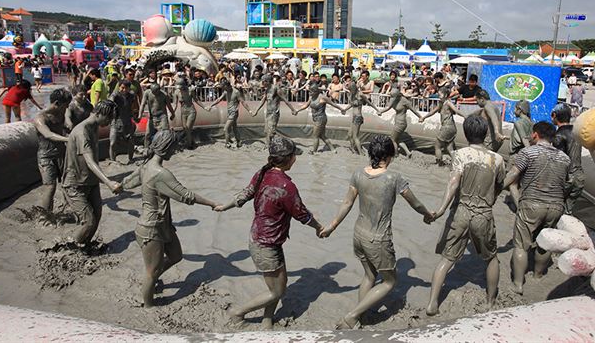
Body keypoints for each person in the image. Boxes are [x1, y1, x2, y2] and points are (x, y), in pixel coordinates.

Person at [320, 135, 433, 328]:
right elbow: (415, 203)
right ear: (390, 156)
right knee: (390, 281)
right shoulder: (394, 178)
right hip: (378, 239)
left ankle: (360, 318)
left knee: (369, 276)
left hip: (358, 235)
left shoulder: (357, 174)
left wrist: (332, 226)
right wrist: (428, 215)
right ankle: (352, 316)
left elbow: (347, 203)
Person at [214, 136, 324, 330]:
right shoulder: (286, 187)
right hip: (266, 244)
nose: (296, 159)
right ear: (289, 158)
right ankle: (237, 313)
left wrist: (225, 206)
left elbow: (245, 193)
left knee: (278, 285)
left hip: (262, 238)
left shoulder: (262, 173)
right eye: (294, 156)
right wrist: (319, 228)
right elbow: (302, 215)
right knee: (277, 291)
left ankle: (267, 321)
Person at [121, 130, 219, 307]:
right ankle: (149, 306)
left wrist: (117, 186)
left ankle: (151, 284)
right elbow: (186, 195)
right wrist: (212, 203)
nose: (176, 150)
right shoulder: (160, 174)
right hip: (151, 228)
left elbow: (127, 183)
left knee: (176, 255)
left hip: (163, 224)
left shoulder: (145, 167)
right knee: (152, 271)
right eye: (174, 147)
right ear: (166, 147)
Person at [426, 116, 505, 316]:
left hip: (461, 211)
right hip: (483, 213)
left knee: (446, 259)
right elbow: (499, 186)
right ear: (485, 134)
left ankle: (433, 303)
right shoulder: (497, 159)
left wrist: (442, 209)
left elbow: (453, 182)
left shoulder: (460, 154)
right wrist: (490, 200)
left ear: (465, 134)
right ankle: (490, 303)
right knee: (492, 258)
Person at [503, 121, 570, 295]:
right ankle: (538, 276)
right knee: (545, 243)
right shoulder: (564, 158)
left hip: (532, 204)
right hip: (556, 206)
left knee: (521, 245)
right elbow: (568, 183)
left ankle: (518, 284)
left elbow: (512, 175)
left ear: (534, 134)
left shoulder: (528, 152)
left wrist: (496, 187)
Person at [62, 100, 123, 244]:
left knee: (97, 215)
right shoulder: (82, 131)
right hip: (75, 184)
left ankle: (85, 244)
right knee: (88, 221)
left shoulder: (94, 127)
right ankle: (71, 247)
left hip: (91, 181)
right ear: (99, 113)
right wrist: (109, 183)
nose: (109, 123)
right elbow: (90, 161)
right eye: (108, 119)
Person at [33, 88, 72, 213]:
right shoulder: (40, 118)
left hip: (61, 153)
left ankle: (69, 207)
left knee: (68, 182)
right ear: (56, 103)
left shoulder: (61, 113)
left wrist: (70, 129)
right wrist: (68, 139)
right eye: (65, 106)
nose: (66, 109)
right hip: (46, 156)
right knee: (50, 186)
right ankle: (44, 215)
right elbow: (48, 135)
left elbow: (63, 128)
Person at [293, 81, 347, 154]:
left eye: (311, 92)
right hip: (315, 118)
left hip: (321, 119)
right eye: (309, 91)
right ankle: (333, 149)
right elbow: (306, 105)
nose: (309, 93)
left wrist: (342, 109)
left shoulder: (323, 98)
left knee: (315, 135)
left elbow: (333, 104)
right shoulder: (311, 97)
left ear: (316, 91)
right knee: (322, 136)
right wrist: (297, 110)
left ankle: (314, 151)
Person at [419, 86, 466, 165]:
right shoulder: (441, 103)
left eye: (440, 95)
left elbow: (456, 111)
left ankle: (439, 163)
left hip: (447, 127)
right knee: (449, 148)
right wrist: (423, 117)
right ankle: (457, 163)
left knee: (437, 146)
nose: (438, 96)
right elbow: (432, 112)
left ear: (445, 95)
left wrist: (465, 116)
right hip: (451, 128)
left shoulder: (448, 103)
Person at [551, 104, 585, 215]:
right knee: (567, 212)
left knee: (553, 210)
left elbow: (558, 160)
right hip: (579, 177)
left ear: (554, 115)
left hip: (566, 178)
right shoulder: (576, 132)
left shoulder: (559, 135)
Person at [252, 74, 297, 147]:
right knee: (266, 131)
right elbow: (263, 100)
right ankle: (268, 145)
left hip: (274, 113)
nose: (262, 83)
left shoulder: (276, 88)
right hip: (268, 112)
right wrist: (256, 110)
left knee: (271, 132)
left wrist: (293, 109)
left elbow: (285, 99)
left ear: (268, 81)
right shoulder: (267, 89)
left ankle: (282, 143)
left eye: (263, 82)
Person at [208, 78, 253, 148]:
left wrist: (250, 111)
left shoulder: (236, 92)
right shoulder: (226, 91)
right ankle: (239, 141)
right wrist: (211, 105)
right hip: (229, 111)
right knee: (234, 128)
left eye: (223, 86)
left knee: (226, 128)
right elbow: (219, 99)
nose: (222, 88)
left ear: (227, 85)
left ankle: (227, 144)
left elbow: (243, 102)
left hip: (234, 112)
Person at [379, 86, 422, 157]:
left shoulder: (404, 101)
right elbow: (388, 107)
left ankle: (396, 154)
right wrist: (381, 111)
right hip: (398, 122)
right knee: (397, 139)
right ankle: (408, 152)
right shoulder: (394, 99)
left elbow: (413, 110)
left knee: (392, 139)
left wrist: (420, 117)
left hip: (401, 123)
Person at [342, 78, 381, 155]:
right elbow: (351, 104)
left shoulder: (360, 94)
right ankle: (354, 148)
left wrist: (377, 110)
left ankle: (360, 153)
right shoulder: (352, 95)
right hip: (354, 117)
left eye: (350, 90)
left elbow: (369, 103)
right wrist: (345, 109)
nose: (349, 91)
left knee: (355, 136)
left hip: (358, 117)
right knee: (350, 134)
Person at [508, 100, 533, 208]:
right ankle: (516, 201)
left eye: (515, 108)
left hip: (517, 155)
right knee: (520, 183)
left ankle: (519, 208)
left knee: (511, 183)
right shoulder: (531, 122)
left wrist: (531, 154)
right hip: (524, 155)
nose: (514, 110)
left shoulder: (518, 123)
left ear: (520, 109)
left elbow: (524, 140)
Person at [171, 78, 206, 150]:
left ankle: (189, 145)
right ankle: (192, 142)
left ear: (183, 85)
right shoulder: (176, 92)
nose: (179, 89)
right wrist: (172, 113)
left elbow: (196, 100)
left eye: (180, 87)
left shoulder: (190, 90)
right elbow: (175, 104)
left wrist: (204, 107)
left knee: (188, 128)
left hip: (191, 111)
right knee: (185, 129)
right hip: (183, 112)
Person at [139, 83, 175, 150]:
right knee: (148, 134)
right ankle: (146, 148)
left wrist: (173, 114)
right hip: (152, 116)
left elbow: (169, 106)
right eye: (153, 92)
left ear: (159, 90)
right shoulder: (147, 93)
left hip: (162, 116)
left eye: (156, 92)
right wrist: (140, 114)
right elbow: (142, 104)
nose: (155, 93)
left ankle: (164, 148)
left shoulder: (164, 95)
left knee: (165, 133)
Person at [109, 80, 136, 162]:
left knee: (131, 141)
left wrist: (135, 115)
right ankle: (112, 160)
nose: (124, 90)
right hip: (116, 121)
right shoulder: (116, 95)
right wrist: (114, 95)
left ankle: (131, 159)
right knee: (112, 142)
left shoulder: (131, 95)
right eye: (122, 88)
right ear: (119, 87)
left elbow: (134, 106)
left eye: (126, 88)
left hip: (127, 120)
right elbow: (110, 101)